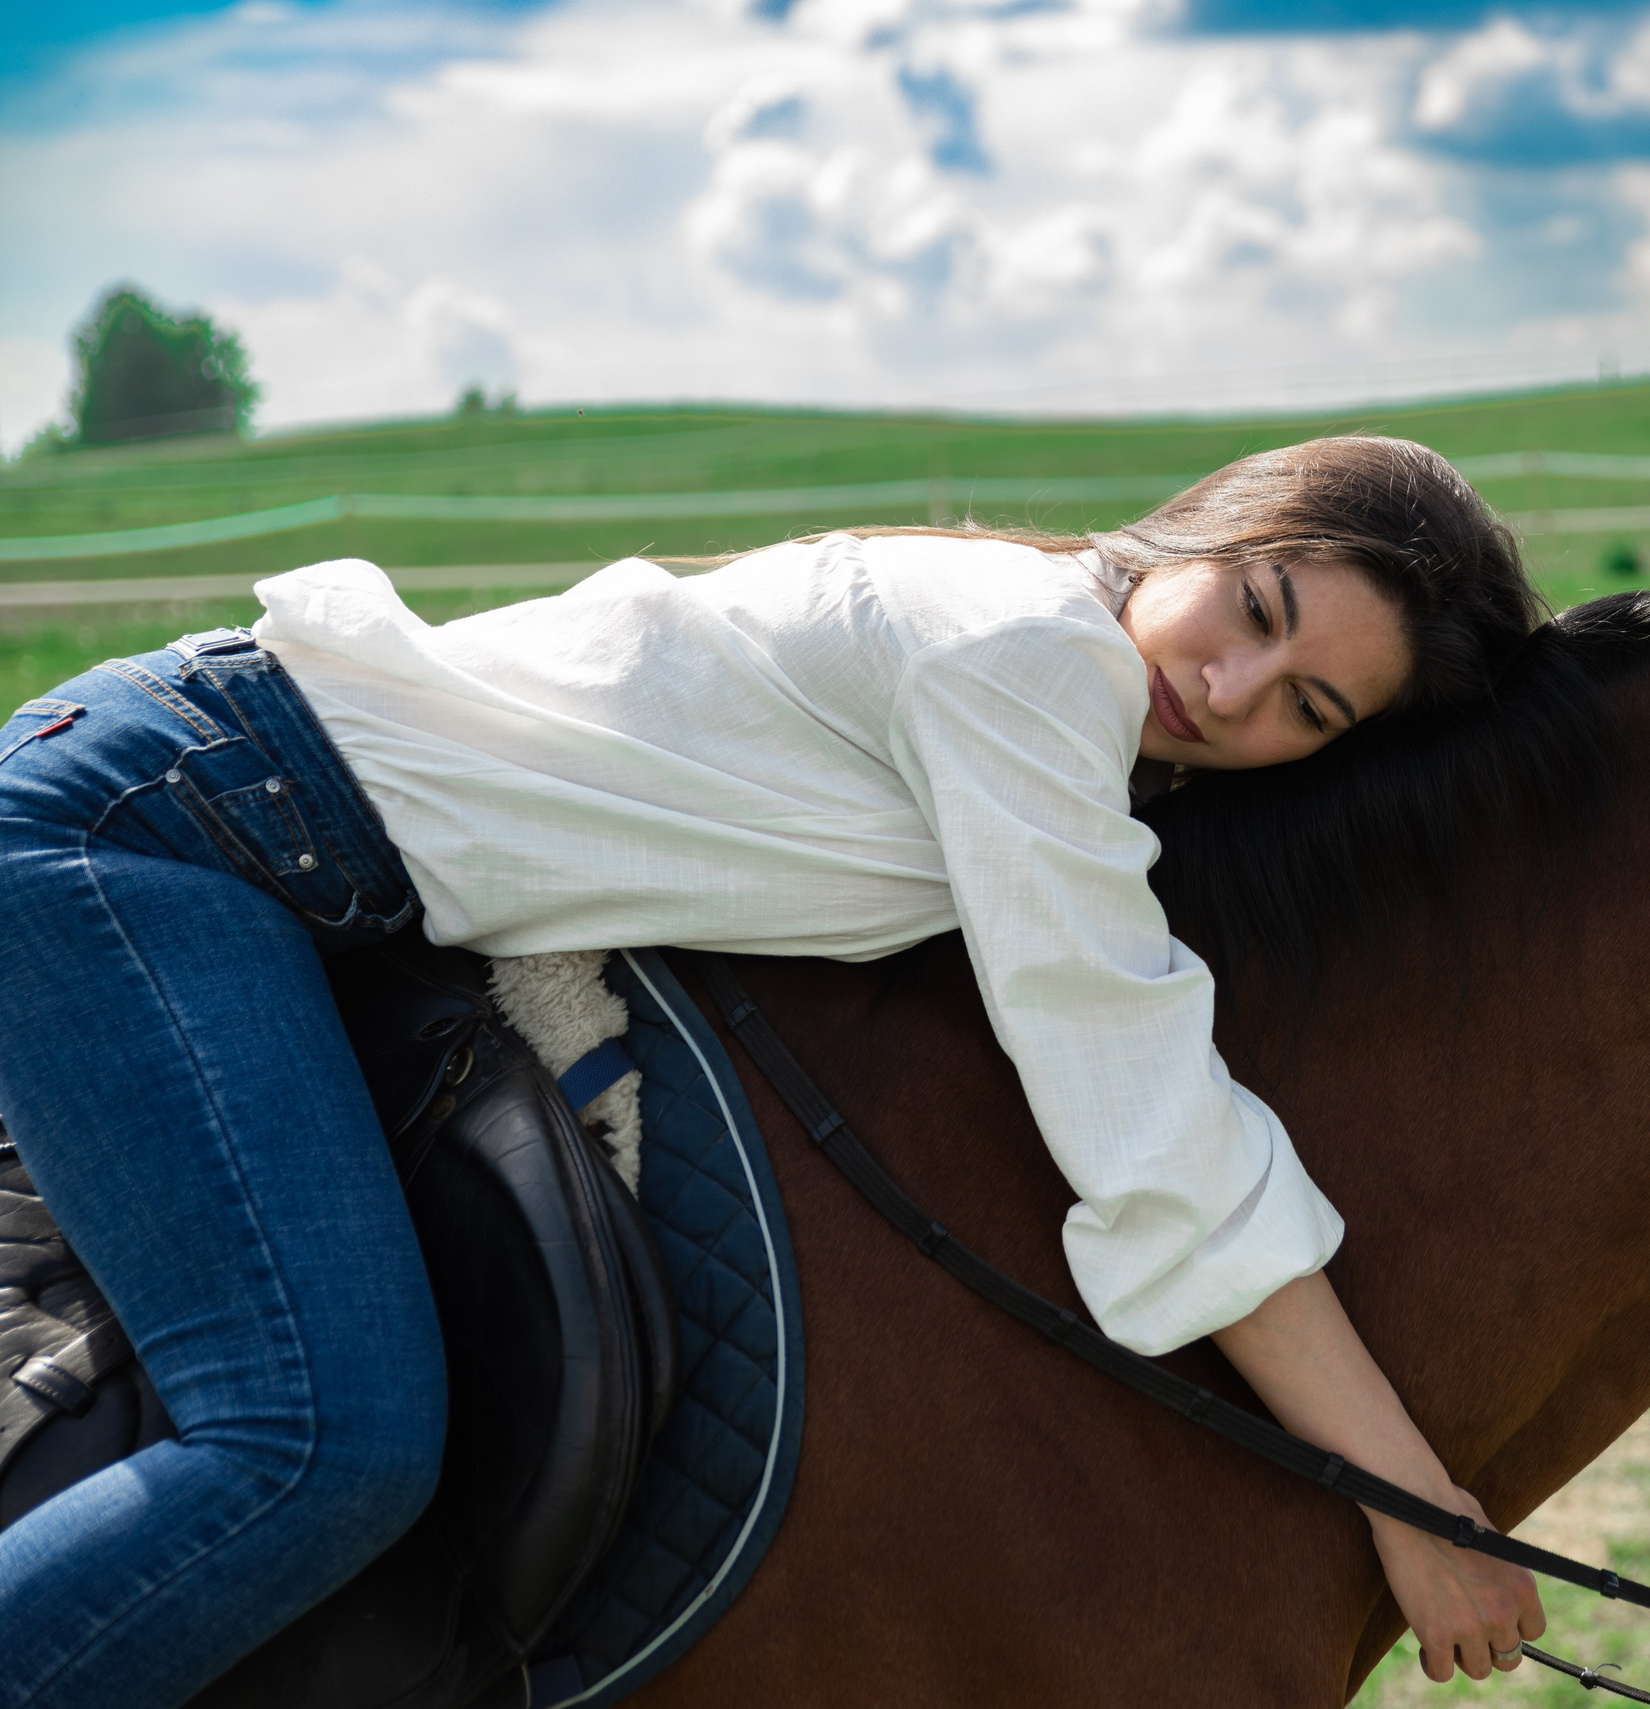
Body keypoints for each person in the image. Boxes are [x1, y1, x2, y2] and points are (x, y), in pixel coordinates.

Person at [0, 434, 1548, 1707]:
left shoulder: (1045, 670)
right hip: (162, 830)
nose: (1229, 693)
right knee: (320, 1443)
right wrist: (1410, 1502)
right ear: (1213, 524)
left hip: (242, 826)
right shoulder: (1025, 653)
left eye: (1308, 709)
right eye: (1260, 611)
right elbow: (1149, 1119)